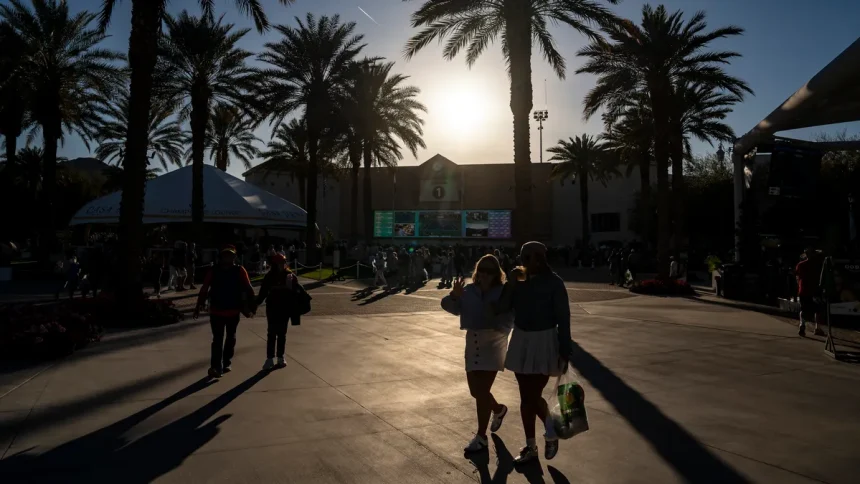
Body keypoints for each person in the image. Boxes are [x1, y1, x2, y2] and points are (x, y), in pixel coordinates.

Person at [496, 241, 570, 464]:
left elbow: (563, 318)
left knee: (531, 395)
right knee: (525, 397)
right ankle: (533, 444)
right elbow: (502, 308)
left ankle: (550, 433)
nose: (524, 262)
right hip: (521, 339)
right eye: (521, 257)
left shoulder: (555, 283)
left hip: (544, 340)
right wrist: (509, 285)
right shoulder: (518, 281)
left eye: (528, 257)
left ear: (540, 258)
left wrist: (565, 349)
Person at [441, 254, 513, 453]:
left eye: (490, 271)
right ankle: (498, 409)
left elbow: (510, 319)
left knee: (481, 392)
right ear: (477, 271)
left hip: (493, 342)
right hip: (472, 340)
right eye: (482, 269)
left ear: (497, 273)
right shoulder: (469, 291)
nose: (485, 274)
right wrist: (454, 295)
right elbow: (449, 307)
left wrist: (496, 320)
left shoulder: (503, 292)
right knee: (476, 391)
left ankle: (481, 436)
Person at [194, 245, 256, 378]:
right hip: (216, 311)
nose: (229, 257)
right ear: (221, 256)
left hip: (234, 311)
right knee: (217, 339)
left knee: (230, 337)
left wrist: (252, 306)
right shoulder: (213, 270)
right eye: (226, 255)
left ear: (235, 257)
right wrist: (199, 305)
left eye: (231, 255)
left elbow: (248, 287)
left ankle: (226, 361)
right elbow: (204, 288)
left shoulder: (240, 270)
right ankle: (216, 366)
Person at [256, 253, 300, 370]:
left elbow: (295, 292)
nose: (282, 265)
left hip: (284, 308)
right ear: (274, 264)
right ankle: (270, 358)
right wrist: (254, 306)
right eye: (279, 263)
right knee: (271, 333)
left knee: (282, 334)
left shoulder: (289, 275)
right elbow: (262, 293)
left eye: (283, 263)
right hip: (272, 308)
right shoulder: (269, 277)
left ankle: (280, 357)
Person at [796, 248, 824, 337]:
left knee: (803, 309)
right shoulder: (818, 265)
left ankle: (802, 325)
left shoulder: (800, 265)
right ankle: (817, 328)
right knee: (818, 309)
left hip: (803, 290)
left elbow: (797, 277)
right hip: (815, 290)